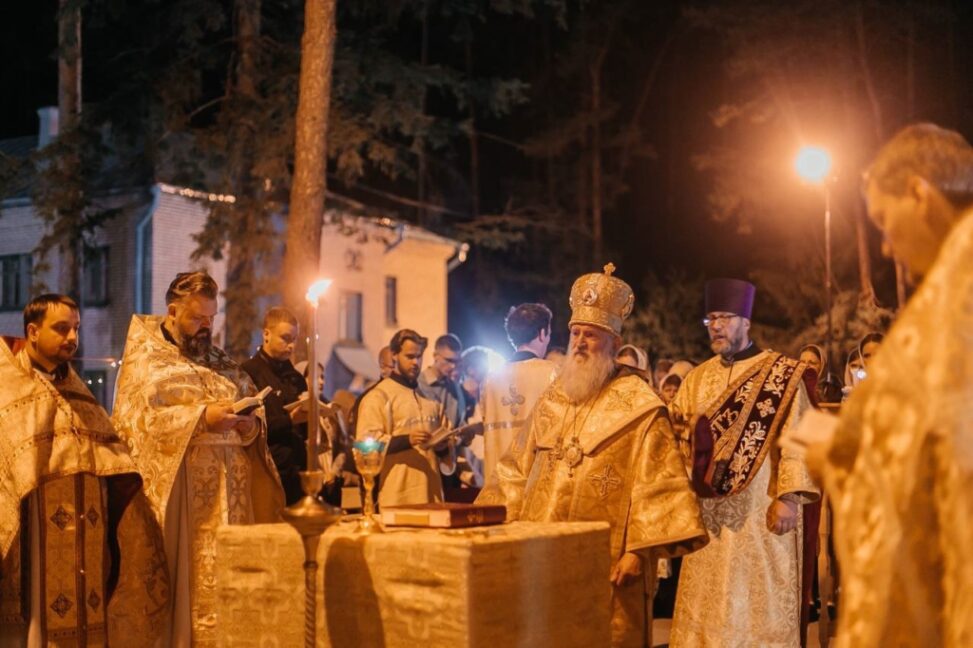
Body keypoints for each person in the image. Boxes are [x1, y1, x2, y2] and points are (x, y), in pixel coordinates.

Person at [478, 265, 707, 648]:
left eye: (591, 335)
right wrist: (495, 524)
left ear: (614, 343)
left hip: (609, 564)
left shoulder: (642, 407)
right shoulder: (553, 398)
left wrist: (637, 551)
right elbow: (514, 470)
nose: (580, 343)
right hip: (543, 551)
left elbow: (659, 488)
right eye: (575, 334)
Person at [819, 123, 973, 646]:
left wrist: (838, 461)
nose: (884, 247)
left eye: (884, 221)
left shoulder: (956, 298)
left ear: (919, 193)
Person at [112, 271, 284, 646]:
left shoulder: (220, 360)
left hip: (233, 496)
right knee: (187, 587)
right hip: (183, 502)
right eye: (197, 318)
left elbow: (253, 415)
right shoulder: (146, 361)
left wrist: (248, 426)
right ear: (172, 311)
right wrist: (202, 418)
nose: (206, 327)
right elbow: (137, 422)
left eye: (211, 318)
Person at [0, 295, 169, 647]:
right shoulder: (8, 387)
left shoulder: (77, 390)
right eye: (61, 328)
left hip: (85, 528)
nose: (72, 337)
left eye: (75, 328)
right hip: (35, 527)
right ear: (32, 332)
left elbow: (108, 455)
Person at [669, 278, 820, 647]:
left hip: (760, 512)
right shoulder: (696, 378)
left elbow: (797, 438)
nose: (716, 326)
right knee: (706, 604)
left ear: (746, 322)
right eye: (710, 320)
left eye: (724, 317)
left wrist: (788, 496)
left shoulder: (781, 375)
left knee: (756, 603)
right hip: (707, 516)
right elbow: (676, 438)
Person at [356, 329, 455, 507]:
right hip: (396, 498)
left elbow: (446, 456)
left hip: (432, 497)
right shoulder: (378, 396)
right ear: (394, 355)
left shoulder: (430, 399)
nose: (416, 362)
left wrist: (442, 447)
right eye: (409, 356)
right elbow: (363, 445)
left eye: (419, 356)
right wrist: (406, 440)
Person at [479, 303, 557, 486]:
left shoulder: (489, 381)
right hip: (536, 484)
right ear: (542, 333)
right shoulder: (553, 374)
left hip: (497, 484)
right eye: (549, 334)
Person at [241, 307, 312, 505]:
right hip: (265, 471)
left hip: (296, 472)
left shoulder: (296, 378)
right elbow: (248, 427)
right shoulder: (248, 373)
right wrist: (289, 420)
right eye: (285, 338)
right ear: (266, 334)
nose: (291, 346)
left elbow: (304, 433)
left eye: (294, 340)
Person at [417, 333, 467, 430]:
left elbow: (459, 422)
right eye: (449, 360)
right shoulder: (418, 384)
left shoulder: (454, 387)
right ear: (435, 356)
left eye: (456, 361)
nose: (453, 366)